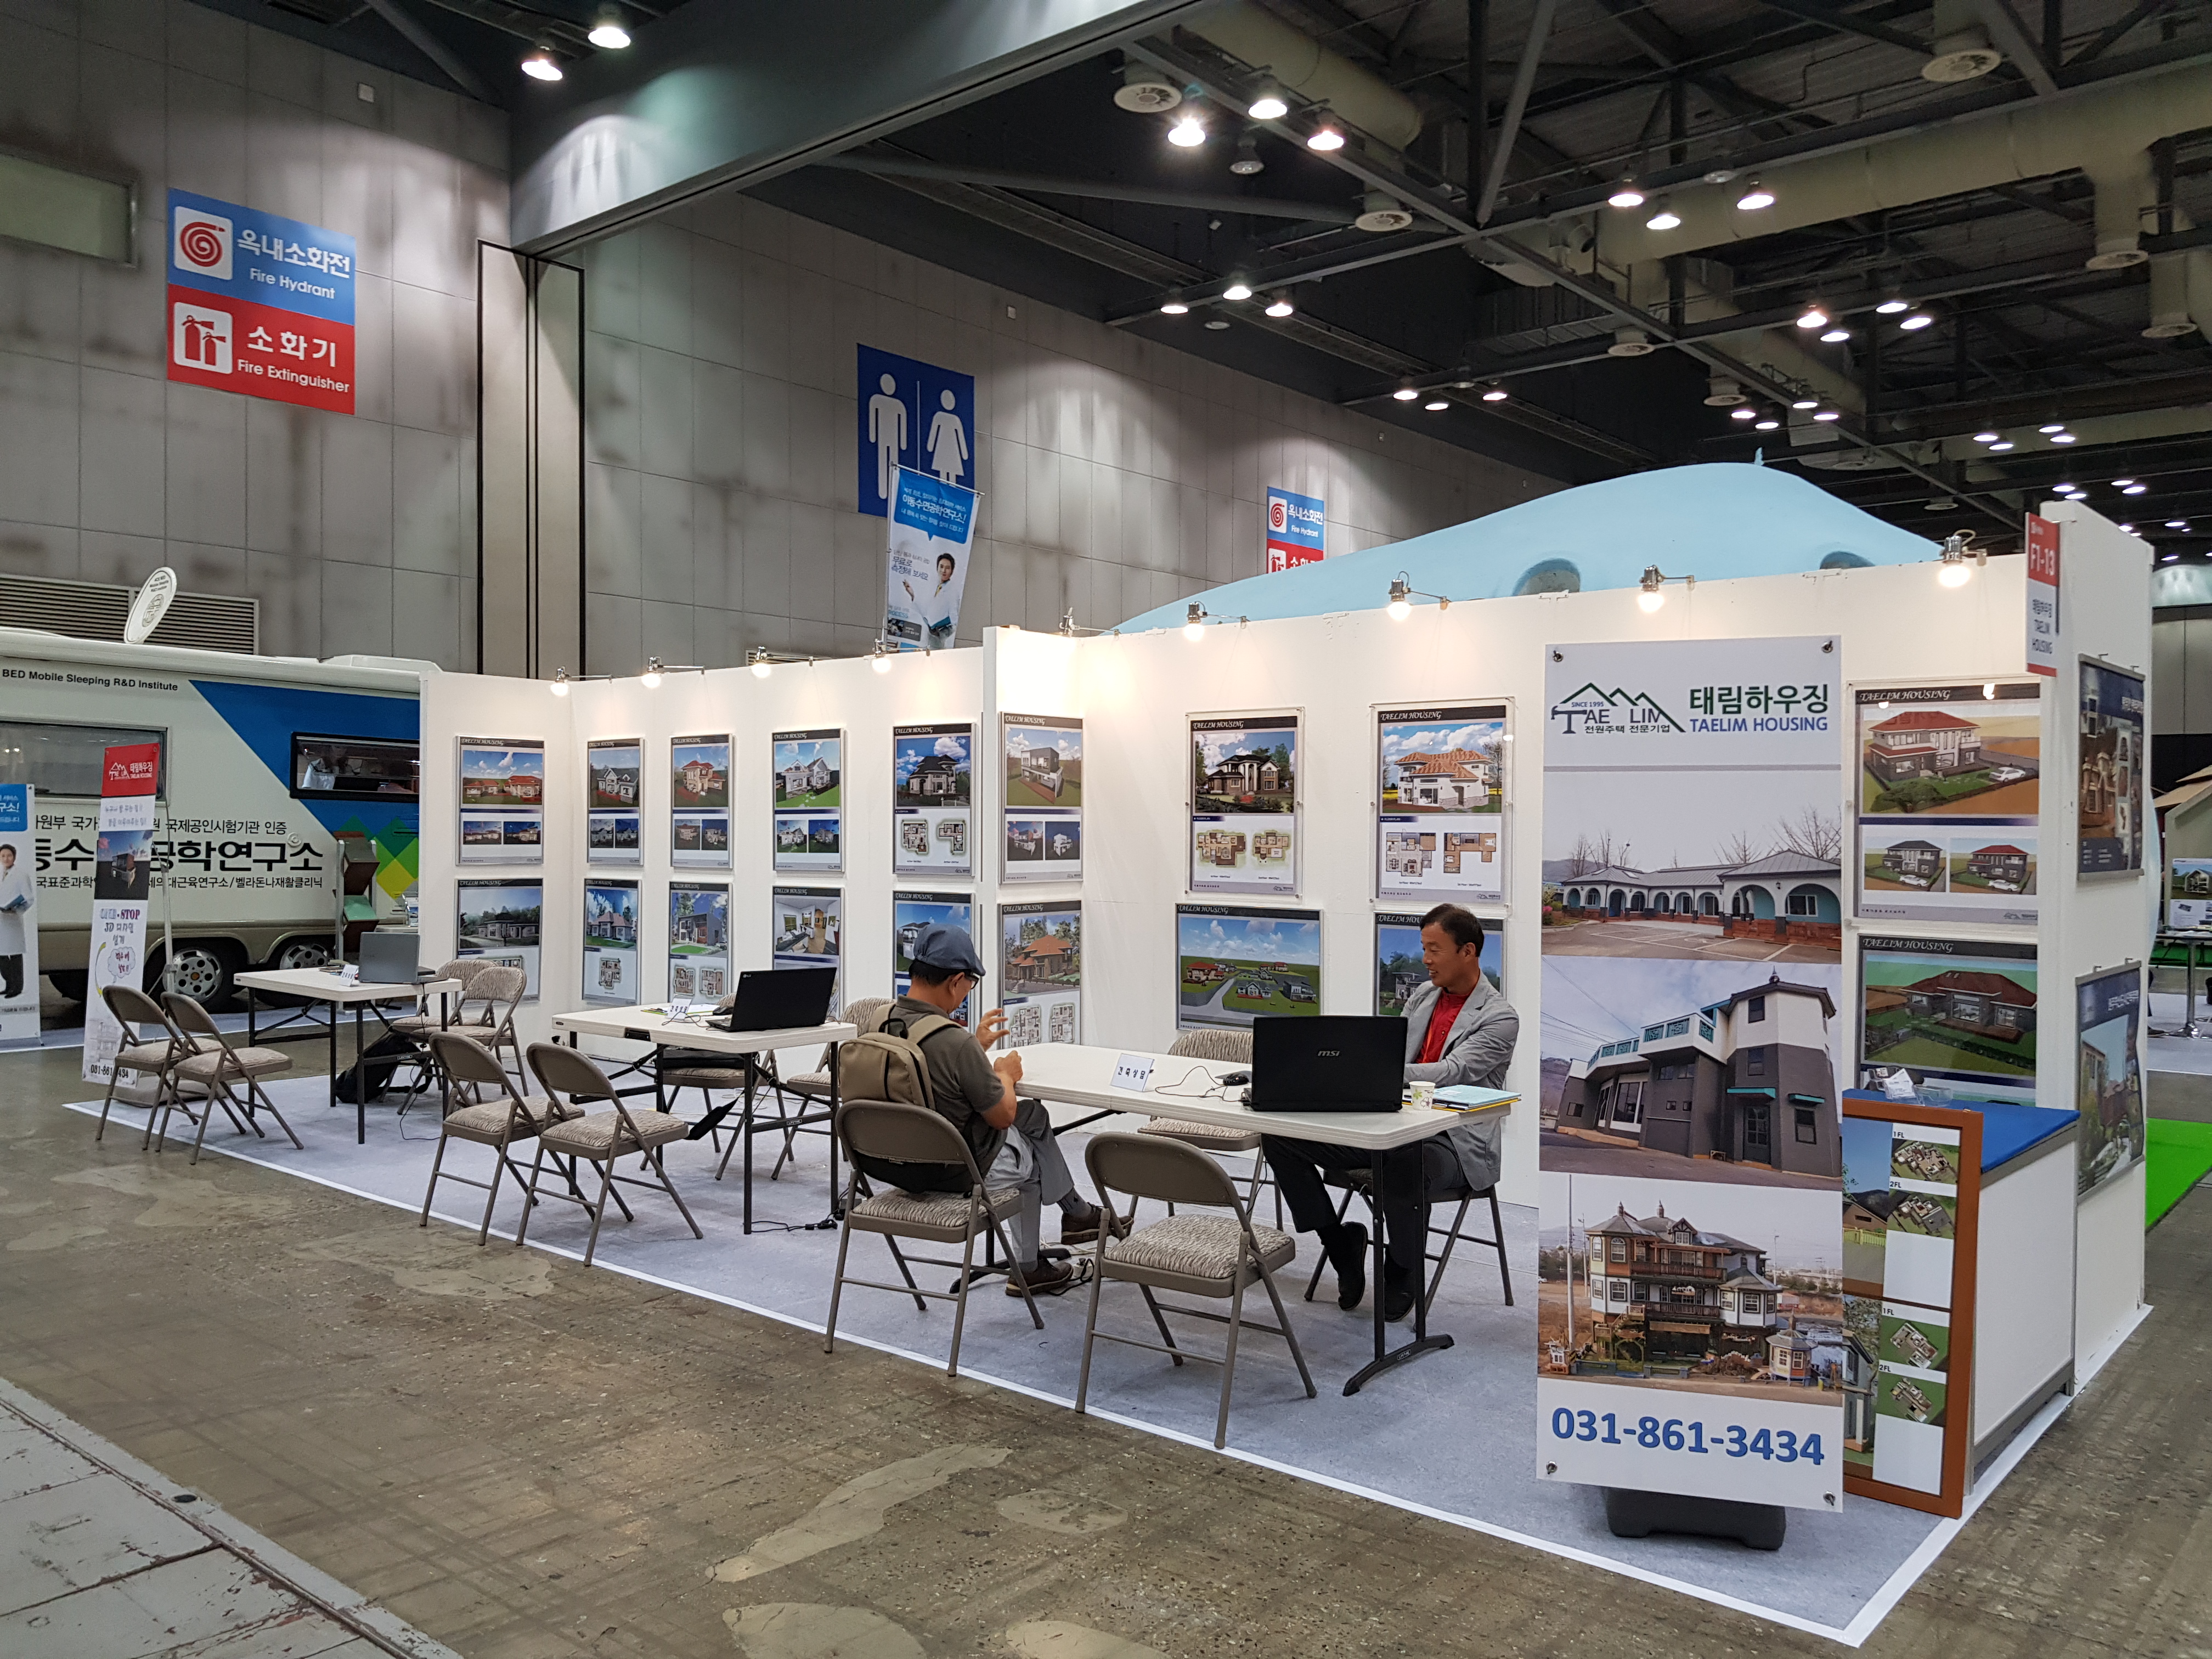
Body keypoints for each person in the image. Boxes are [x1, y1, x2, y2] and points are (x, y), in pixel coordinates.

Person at [1262, 904, 1516, 1323]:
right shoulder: (1423, 996)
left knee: (1405, 1165)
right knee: (1281, 1139)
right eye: (1424, 948)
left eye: (1434, 949)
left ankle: (1402, 1268)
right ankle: (1340, 1246)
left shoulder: (1500, 1018)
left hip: (1454, 1143)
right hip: (1394, 1126)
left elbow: (1453, 1072)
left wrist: (1374, 1071)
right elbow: (1388, 1049)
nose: (1425, 959)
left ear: (1468, 951)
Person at [880, 924, 1125, 1296]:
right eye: (970, 984)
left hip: (898, 1160)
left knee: (1035, 1118)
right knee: (1029, 1157)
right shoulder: (952, 1041)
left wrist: (975, 1046)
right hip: (957, 1169)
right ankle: (1029, 1268)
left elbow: (928, 1079)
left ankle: (1077, 1214)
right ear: (956, 981)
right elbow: (1002, 1116)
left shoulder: (884, 1023)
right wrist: (1004, 1075)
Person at [0, 843, 31, 1002]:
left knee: (15, 955)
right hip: (1, 920)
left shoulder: (21, 875)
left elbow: (29, 898)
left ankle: (17, 987)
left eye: (9, 856)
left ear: (14, 857)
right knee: (2, 955)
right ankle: (9, 984)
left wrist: (15, 909)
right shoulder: (2, 873)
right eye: (3, 856)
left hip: (13, 920)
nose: (6, 859)